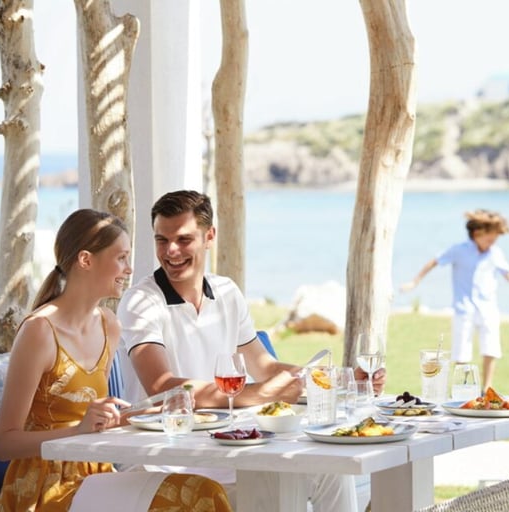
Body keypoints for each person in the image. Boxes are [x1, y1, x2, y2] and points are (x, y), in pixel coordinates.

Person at [117, 190, 384, 511]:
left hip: (229, 450)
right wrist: (262, 393)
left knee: (331, 471)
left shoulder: (226, 292)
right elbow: (162, 388)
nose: (171, 251)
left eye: (184, 239)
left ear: (209, 236)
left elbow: (266, 368)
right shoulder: (141, 301)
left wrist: (341, 381)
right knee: (274, 494)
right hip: (165, 458)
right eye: (162, 240)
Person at [0, 209, 231, 511]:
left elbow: (96, 421)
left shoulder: (108, 325)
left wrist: (151, 412)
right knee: (191, 497)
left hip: (96, 475)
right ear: (85, 260)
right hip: (45, 488)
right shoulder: (39, 331)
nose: (129, 269)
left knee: (203, 490)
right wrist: (78, 431)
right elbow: (3, 444)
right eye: (121, 258)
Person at [400, 209, 509, 391]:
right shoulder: (459, 250)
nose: (492, 243)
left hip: (488, 308)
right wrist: (414, 282)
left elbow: (508, 274)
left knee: (491, 349)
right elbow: (434, 262)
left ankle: (487, 388)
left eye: (495, 240)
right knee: (461, 353)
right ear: (477, 233)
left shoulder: (495, 253)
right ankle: (462, 388)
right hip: (464, 309)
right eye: (490, 239)